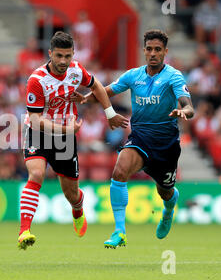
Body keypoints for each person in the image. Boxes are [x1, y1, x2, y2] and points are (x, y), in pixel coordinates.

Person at [72, 29, 195, 248]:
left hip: (165, 144)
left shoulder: (173, 76)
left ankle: (168, 209)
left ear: (165, 52)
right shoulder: (133, 76)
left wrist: (184, 111)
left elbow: (187, 104)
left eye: (158, 49)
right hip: (140, 138)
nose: (153, 53)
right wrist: (86, 99)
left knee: (164, 191)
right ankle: (119, 231)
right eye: (149, 49)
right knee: (119, 170)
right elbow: (106, 91)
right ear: (144, 51)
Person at [18, 31, 128, 250]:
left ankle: (78, 210)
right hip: (39, 132)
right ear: (50, 54)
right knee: (37, 173)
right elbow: (35, 119)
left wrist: (109, 114)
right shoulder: (37, 80)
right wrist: (64, 128)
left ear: (73, 55)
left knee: (72, 194)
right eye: (58, 55)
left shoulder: (76, 71)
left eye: (67, 56)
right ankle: (24, 231)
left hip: (65, 140)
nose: (63, 61)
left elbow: (96, 85)